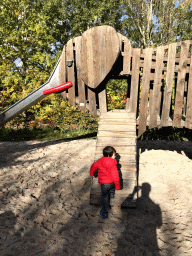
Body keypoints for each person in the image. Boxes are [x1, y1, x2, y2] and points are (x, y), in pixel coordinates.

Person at [90, 146, 121, 219]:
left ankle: (104, 212)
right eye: (114, 155)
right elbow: (115, 175)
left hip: (104, 184)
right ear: (109, 155)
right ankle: (111, 194)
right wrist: (117, 186)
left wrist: (92, 173)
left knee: (104, 197)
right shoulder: (113, 162)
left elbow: (93, 166)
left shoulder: (99, 161)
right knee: (111, 189)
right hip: (111, 183)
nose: (115, 156)